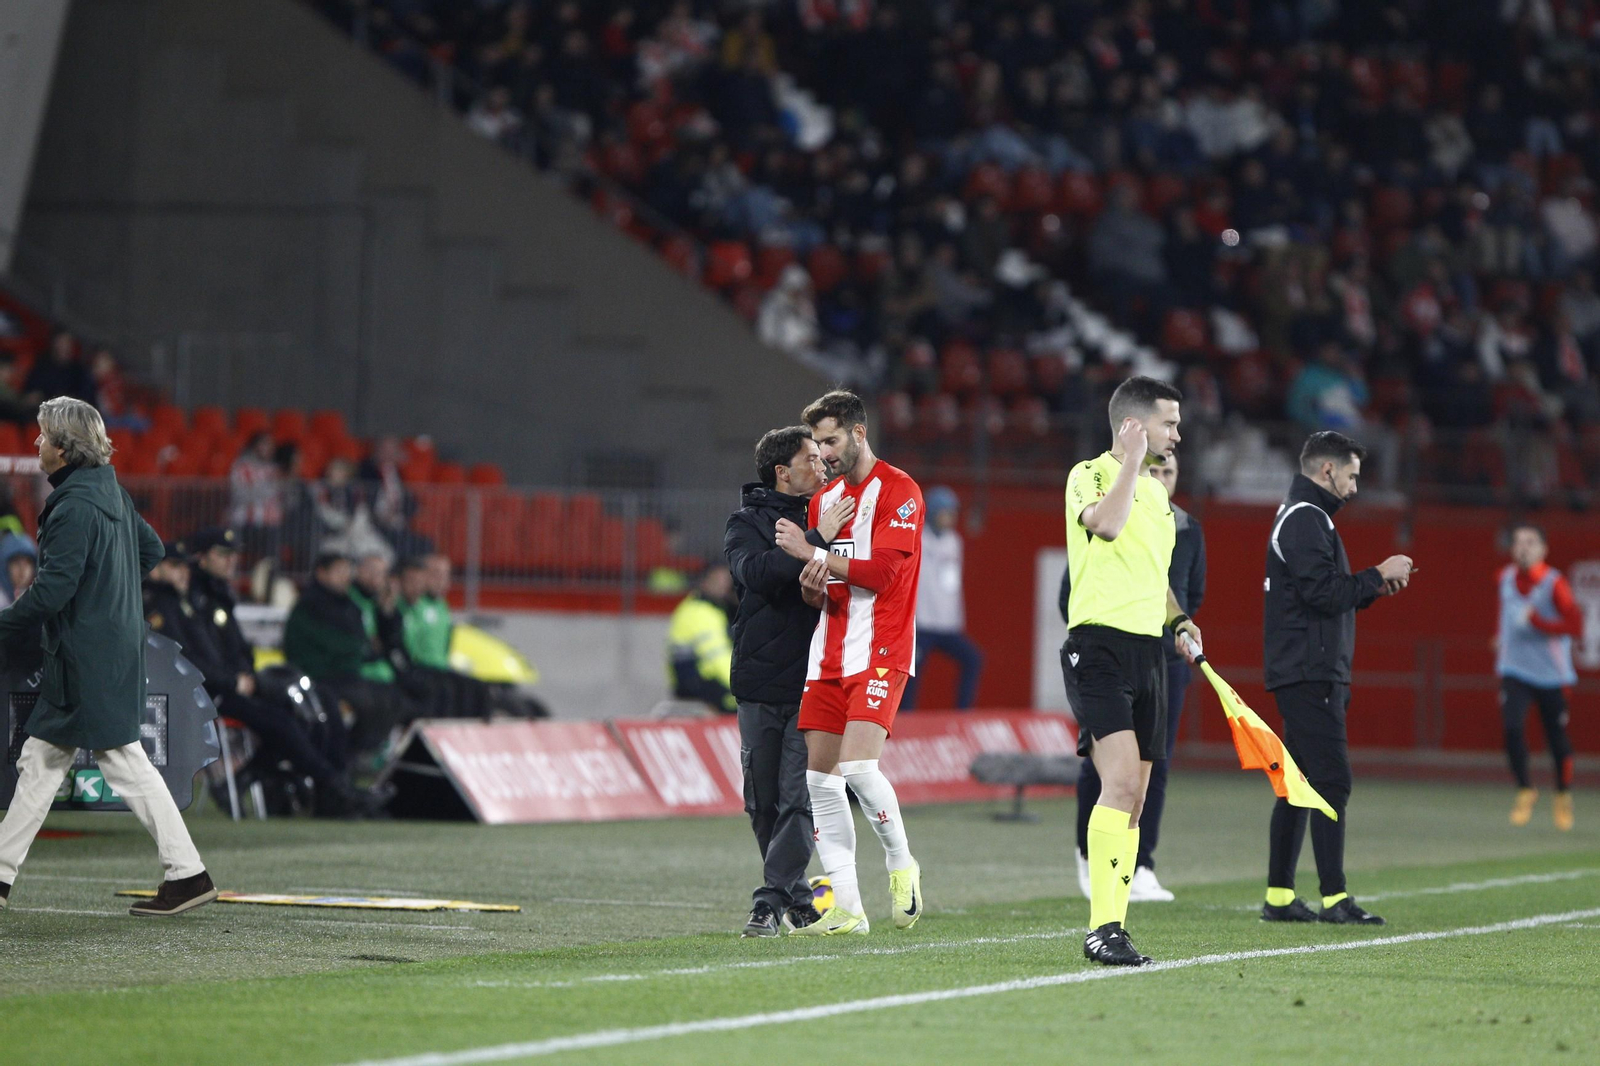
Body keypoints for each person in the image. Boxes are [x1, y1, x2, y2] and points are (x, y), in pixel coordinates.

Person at [0, 397, 216, 917]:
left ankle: (188, 874)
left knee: (110, 761)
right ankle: (187, 875)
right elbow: (152, 550)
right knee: (48, 761)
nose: (37, 444)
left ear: (64, 448)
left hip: (83, 658)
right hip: (110, 650)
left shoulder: (73, 505)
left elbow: (52, 591)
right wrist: (109, 594)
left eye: (44, 436)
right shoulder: (110, 492)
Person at [1060, 376, 1203, 967]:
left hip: (1151, 655)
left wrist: (1180, 622)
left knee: (1137, 800)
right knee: (1118, 786)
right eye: (1169, 423)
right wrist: (1130, 461)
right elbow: (1107, 525)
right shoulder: (1089, 474)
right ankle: (1103, 929)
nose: (1178, 434)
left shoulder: (1157, 496)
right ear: (1136, 425)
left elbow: (1156, 577)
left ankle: (1113, 926)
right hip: (1098, 648)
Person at [772, 389, 925, 936]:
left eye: (832, 440)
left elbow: (882, 575)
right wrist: (812, 585)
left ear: (859, 432)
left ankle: (902, 865)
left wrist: (810, 552)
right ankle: (849, 909)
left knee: (859, 769)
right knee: (819, 781)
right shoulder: (824, 503)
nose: (826, 454)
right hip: (829, 653)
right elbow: (822, 590)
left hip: (881, 649)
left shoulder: (900, 491)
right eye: (818, 445)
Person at [1260, 431, 1414, 926]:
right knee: (1331, 781)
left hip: (1304, 669)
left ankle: (1280, 896)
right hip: (1311, 672)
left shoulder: (1302, 515)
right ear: (1327, 470)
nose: (1354, 487)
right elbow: (1323, 593)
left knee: (1297, 786)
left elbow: (1324, 594)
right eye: (1351, 475)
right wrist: (1376, 573)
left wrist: (1373, 587)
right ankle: (1335, 899)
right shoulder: (1306, 517)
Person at [723, 425, 854, 937]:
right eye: (811, 459)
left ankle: (767, 902)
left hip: (814, 679)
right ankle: (799, 900)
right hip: (758, 679)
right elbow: (754, 574)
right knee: (762, 803)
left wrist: (817, 554)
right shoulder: (745, 523)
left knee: (800, 798)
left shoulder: (832, 512)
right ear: (783, 472)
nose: (821, 466)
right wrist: (814, 543)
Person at [282, 551, 421, 755]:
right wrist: (361, 649)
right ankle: (354, 755)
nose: (345, 577)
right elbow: (339, 646)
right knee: (369, 702)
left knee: (393, 697)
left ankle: (376, 752)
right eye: (339, 571)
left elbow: (370, 641)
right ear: (321, 573)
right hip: (319, 676)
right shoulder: (309, 606)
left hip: (347, 675)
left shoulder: (347, 604)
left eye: (347, 571)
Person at [1496, 523, 1580, 831]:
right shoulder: (1504, 578)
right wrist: (1501, 637)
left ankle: (1563, 794)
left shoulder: (1554, 584)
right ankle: (1525, 789)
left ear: (1544, 549)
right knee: (1512, 727)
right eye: (1518, 541)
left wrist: (1538, 623)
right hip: (1515, 670)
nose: (1523, 547)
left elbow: (1575, 626)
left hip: (1551, 674)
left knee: (1556, 738)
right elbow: (1507, 616)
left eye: (1530, 542)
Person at [903, 486, 983, 710]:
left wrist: (956, 618)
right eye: (945, 512)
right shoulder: (916, 538)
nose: (950, 518)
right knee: (910, 671)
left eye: (953, 513)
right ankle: (904, 719)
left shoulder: (954, 542)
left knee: (973, 658)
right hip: (921, 624)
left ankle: (962, 715)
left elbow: (951, 585)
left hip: (947, 625)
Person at [665, 565, 738, 713]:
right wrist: (741, 685)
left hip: (690, 683)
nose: (723, 587)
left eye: (726, 582)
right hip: (701, 684)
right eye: (717, 581)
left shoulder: (693, 606)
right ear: (704, 582)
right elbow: (719, 658)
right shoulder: (703, 613)